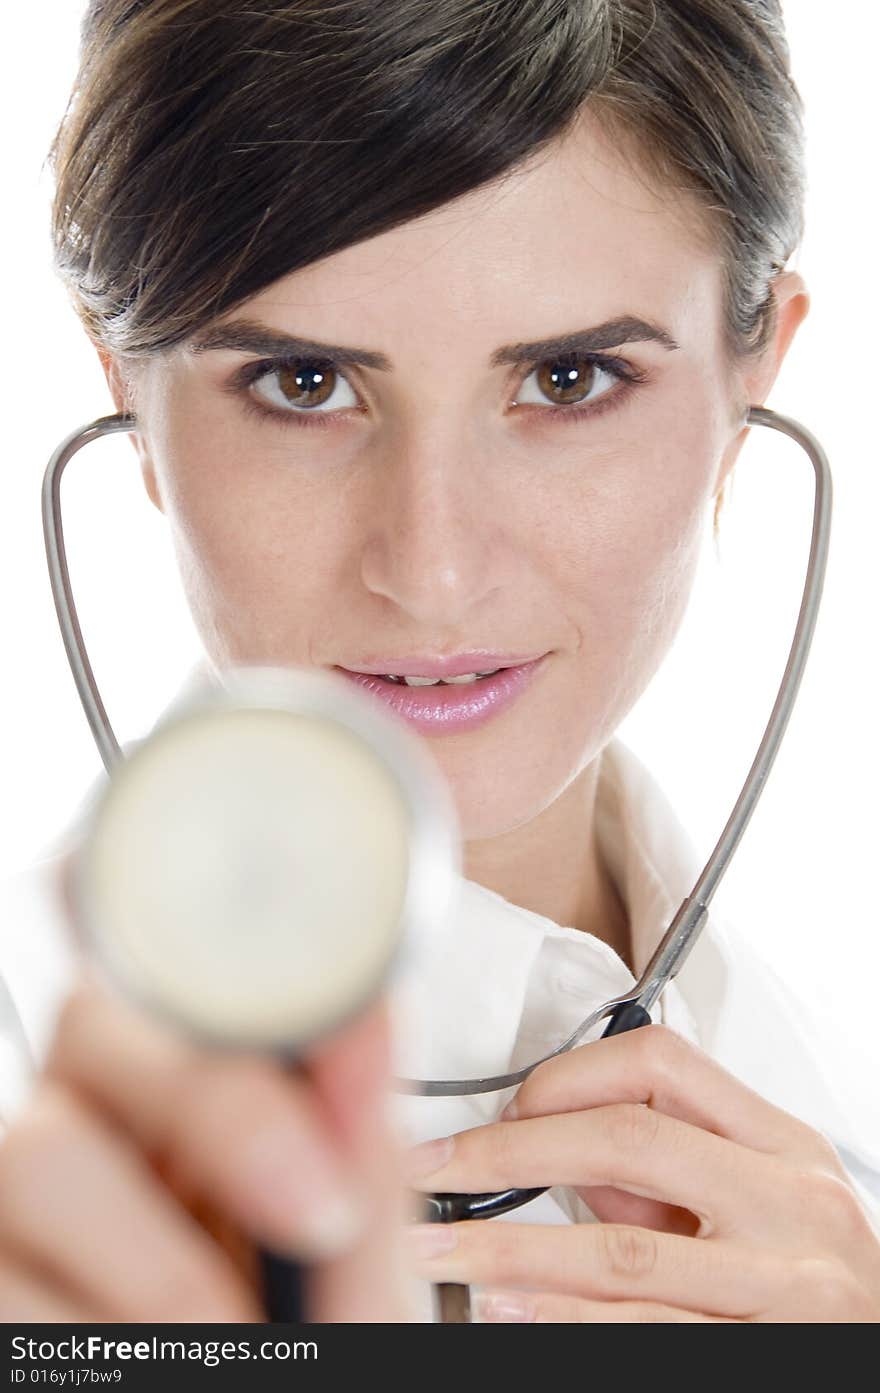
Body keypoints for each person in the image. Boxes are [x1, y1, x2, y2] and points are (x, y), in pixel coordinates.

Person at [1, 0, 878, 1323]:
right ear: (124, 386)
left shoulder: (843, 1151)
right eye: (303, 382)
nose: (434, 568)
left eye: (572, 378)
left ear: (755, 373)